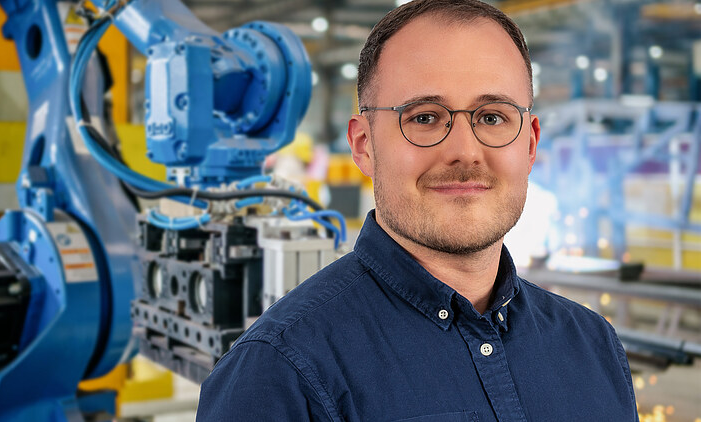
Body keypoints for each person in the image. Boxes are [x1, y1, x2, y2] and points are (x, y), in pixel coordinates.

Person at [196, 0, 639, 420]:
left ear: (530, 143)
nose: (465, 151)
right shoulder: (279, 372)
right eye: (425, 117)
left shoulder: (593, 346)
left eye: (492, 117)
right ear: (364, 146)